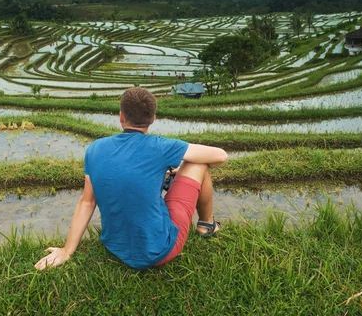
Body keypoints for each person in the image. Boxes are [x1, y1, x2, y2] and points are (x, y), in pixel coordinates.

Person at [34, 87, 228, 271]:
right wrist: (182, 163)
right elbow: (220, 156)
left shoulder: (95, 148)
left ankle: (200, 221)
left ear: (121, 116)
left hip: (115, 247)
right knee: (199, 164)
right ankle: (206, 225)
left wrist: (67, 250)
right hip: (160, 251)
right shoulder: (161, 146)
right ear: (153, 119)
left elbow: (87, 201)